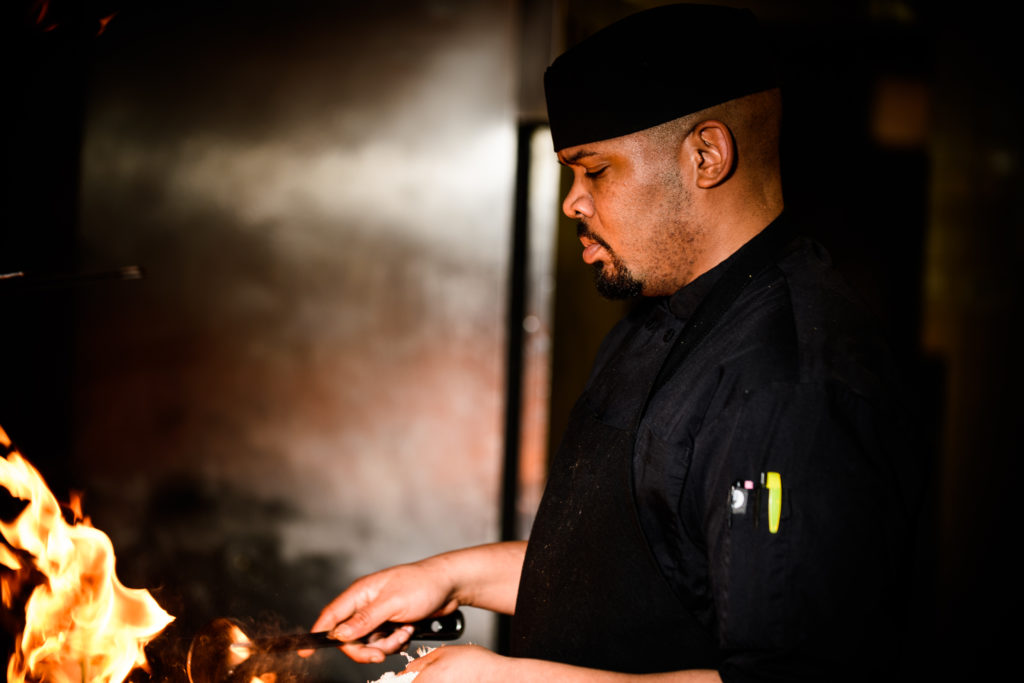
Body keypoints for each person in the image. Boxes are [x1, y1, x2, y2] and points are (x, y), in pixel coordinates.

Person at [308, 4, 922, 681]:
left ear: (707, 155)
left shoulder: (788, 382)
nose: (572, 201)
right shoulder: (655, 313)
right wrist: (450, 579)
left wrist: (500, 679)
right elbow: (637, 569)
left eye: (594, 171)